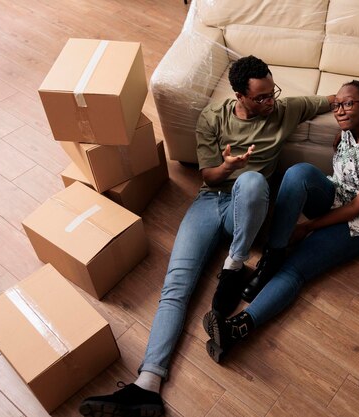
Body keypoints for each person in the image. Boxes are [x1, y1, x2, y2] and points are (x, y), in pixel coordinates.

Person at [79, 55, 335, 417]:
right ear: (239, 96)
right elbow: (208, 178)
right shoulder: (213, 118)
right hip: (210, 201)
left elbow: (334, 99)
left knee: (250, 181)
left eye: (271, 93)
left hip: (247, 209)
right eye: (260, 97)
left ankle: (235, 264)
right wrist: (226, 166)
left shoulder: (284, 109)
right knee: (175, 285)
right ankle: (148, 384)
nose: (270, 102)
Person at [202, 80, 359, 363]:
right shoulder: (351, 126)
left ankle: (237, 328)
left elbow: (357, 208)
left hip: (357, 223)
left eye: (347, 104)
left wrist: (306, 228)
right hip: (335, 192)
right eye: (337, 105)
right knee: (298, 173)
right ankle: (270, 260)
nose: (340, 111)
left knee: (295, 270)